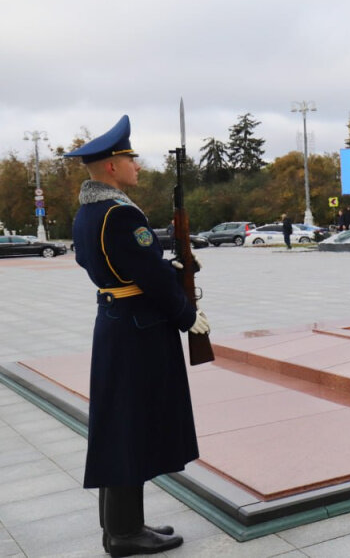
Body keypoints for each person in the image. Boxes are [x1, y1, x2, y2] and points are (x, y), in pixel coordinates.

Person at [66, 115, 209, 556]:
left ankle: (121, 526)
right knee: (132, 427)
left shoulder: (88, 213)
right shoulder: (121, 214)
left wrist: (169, 268)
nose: (137, 166)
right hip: (138, 330)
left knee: (119, 426)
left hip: (115, 321)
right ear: (111, 166)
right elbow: (148, 274)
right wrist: (188, 315)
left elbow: (122, 267)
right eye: (131, 159)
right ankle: (126, 534)